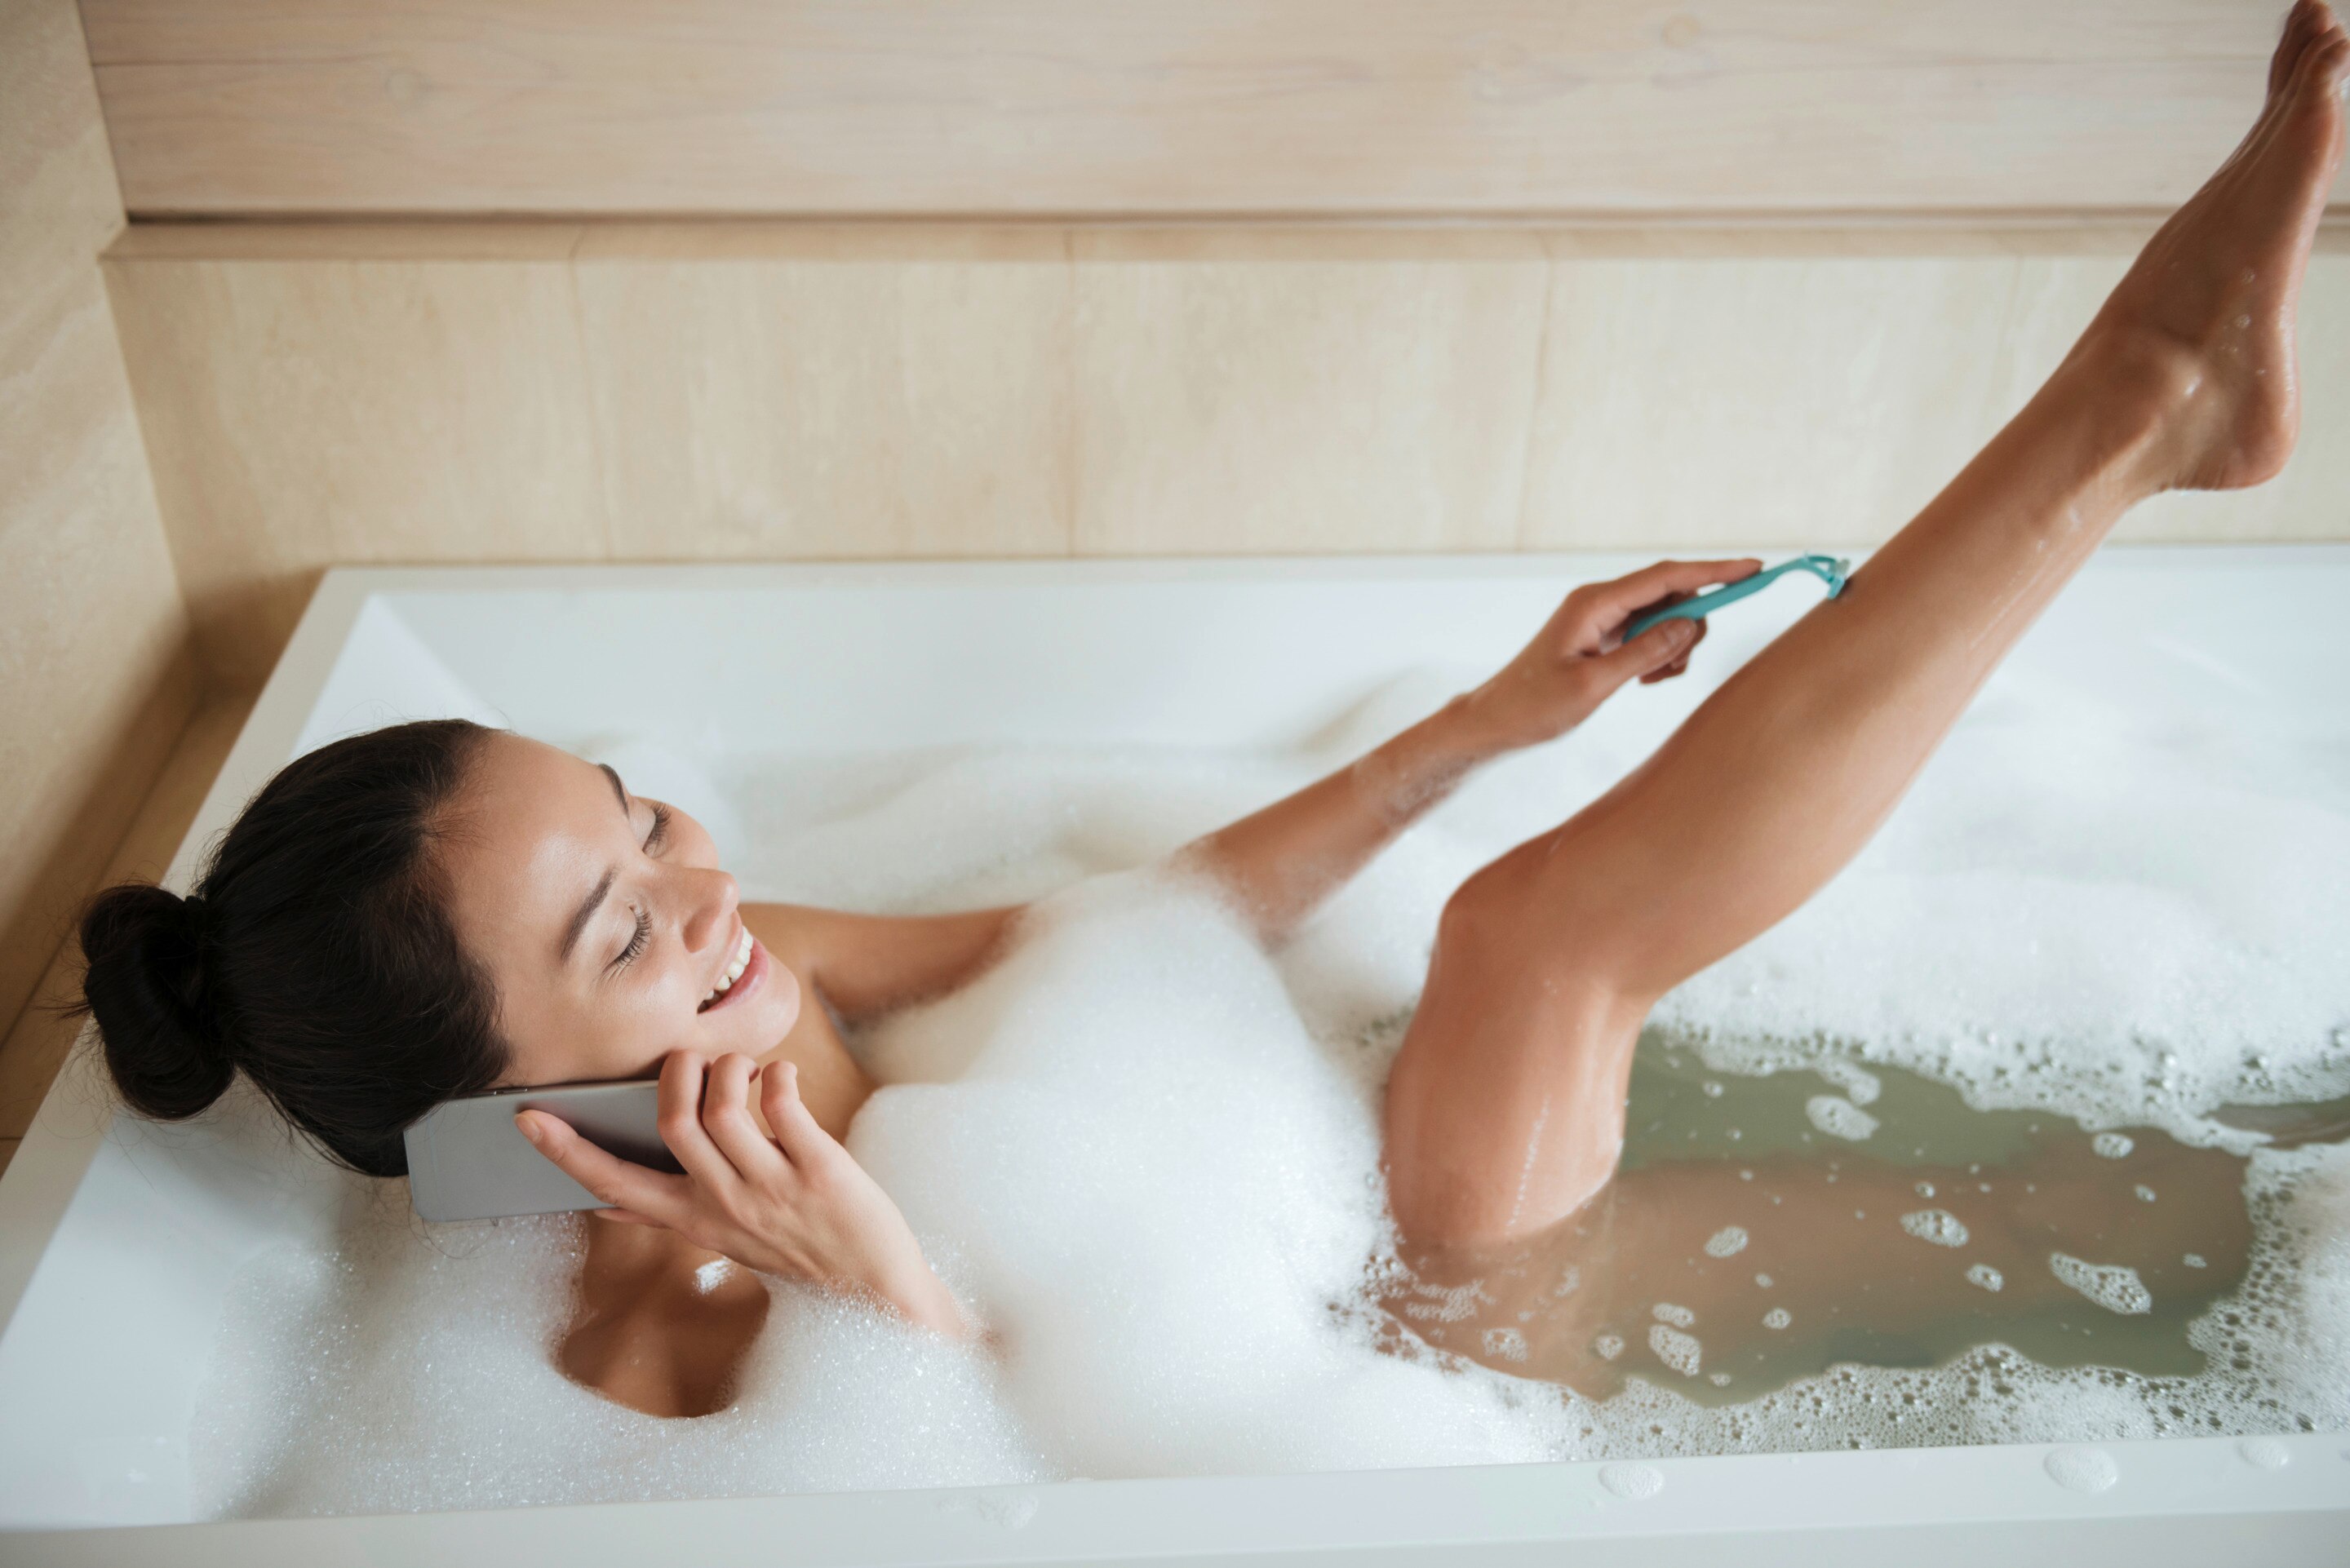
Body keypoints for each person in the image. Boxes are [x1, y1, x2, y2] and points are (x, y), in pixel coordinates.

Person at [76, 5, 2348, 1419]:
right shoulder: (636, 1357)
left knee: (2141, 1224)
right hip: (1388, 1378)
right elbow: (1094, 1496)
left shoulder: (762, 985)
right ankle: (2144, 399)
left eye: (645, 814)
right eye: (622, 927)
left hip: (1336, 1209)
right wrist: (893, 1312)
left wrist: (1488, 713)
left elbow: (1116, 935)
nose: (705, 877)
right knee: (1532, 946)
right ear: (517, 1130)